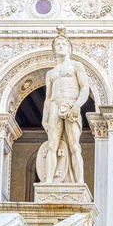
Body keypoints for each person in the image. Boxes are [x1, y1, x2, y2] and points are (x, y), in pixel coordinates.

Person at [42, 28, 90, 183]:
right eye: (58, 44)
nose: (60, 46)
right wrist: (45, 117)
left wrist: (77, 105)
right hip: (55, 105)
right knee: (52, 145)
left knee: (74, 146)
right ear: (54, 49)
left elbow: (84, 88)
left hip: (71, 105)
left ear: (69, 48)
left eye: (63, 43)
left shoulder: (76, 66)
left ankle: (80, 181)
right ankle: (48, 181)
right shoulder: (51, 73)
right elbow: (48, 98)